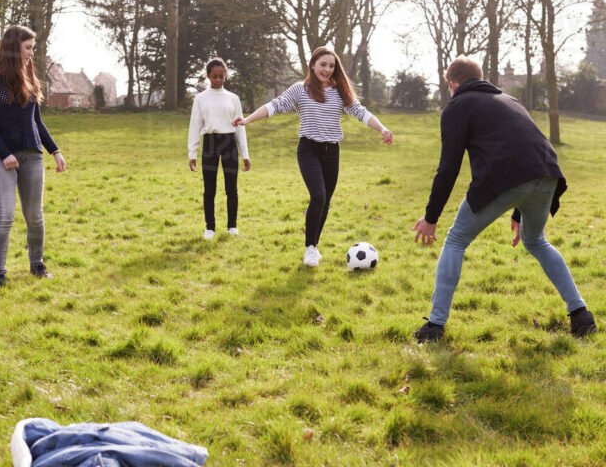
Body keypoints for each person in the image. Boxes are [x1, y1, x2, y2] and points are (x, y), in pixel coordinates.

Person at [412, 56, 596, 342]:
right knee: (536, 240)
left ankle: (435, 326)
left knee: (457, 239)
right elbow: (528, 149)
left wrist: (431, 218)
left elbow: (448, 167)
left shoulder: (458, 105)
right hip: (548, 174)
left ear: (452, 83)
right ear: (480, 77)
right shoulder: (510, 100)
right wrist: (519, 213)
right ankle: (581, 316)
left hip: (507, 178)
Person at [233, 46, 393, 267]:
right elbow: (275, 106)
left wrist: (383, 129)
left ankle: (314, 246)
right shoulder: (301, 89)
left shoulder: (340, 91)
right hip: (309, 150)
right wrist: (247, 120)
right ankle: (309, 249)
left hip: (332, 152)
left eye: (331, 66)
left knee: (325, 201)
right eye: (323, 65)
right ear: (312, 65)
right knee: (318, 196)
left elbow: (361, 112)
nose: (327, 70)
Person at [0, 25, 67, 287]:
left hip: (32, 155)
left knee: (35, 216)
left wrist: (55, 150)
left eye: (32, 47)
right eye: (28, 47)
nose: (31, 52)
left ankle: (37, 265)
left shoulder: (30, 79)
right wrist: (4, 153)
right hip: (2, 158)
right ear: (13, 47)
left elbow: (36, 122)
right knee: (4, 216)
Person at [188, 58, 250, 240]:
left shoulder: (233, 98)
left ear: (225, 76)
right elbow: (194, 126)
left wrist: (245, 154)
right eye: (214, 76)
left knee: (231, 187)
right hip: (210, 144)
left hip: (229, 143)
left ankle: (232, 226)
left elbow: (240, 127)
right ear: (208, 76)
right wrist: (192, 153)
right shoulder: (200, 99)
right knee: (209, 188)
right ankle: (210, 228)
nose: (217, 80)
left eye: (221, 76)